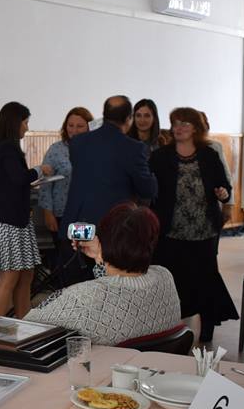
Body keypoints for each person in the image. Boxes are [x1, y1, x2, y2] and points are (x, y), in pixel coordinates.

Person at [25, 203, 180, 345]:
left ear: (104, 239)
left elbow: (27, 327)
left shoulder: (82, 298)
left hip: (102, 365)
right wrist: (101, 257)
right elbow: (118, 294)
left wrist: (105, 253)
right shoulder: (165, 277)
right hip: (149, 364)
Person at [149, 107, 238, 343]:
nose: (178, 128)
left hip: (204, 229)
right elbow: (150, 189)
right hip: (171, 230)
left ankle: (207, 324)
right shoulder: (161, 156)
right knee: (174, 277)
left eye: (184, 124)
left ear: (196, 129)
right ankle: (172, 326)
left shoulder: (208, 154)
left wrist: (223, 193)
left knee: (206, 277)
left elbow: (223, 185)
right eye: (175, 123)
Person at [60, 95, 158, 284]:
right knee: (111, 286)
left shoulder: (78, 143)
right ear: (128, 119)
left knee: (76, 285)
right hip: (113, 229)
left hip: (78, 223)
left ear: (104, 115)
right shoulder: (133, 148)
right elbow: (148, 190)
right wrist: (152, 175)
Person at [0, 102, 52, 317]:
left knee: (26, 275)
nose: (27, 127)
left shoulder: (1, 146)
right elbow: (19, 178)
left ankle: (23, 323)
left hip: (14, 219)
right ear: (15, 122)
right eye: (25, 122)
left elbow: (9, 181)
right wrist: (39, 170)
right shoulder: (7, 147)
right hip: (6, 221)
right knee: (9, 278)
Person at [37, 107, 93, 240]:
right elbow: (45, 184)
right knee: (65, 250)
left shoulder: (96, 149)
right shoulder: (56, 149)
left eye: (80, 126)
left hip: (88, 214)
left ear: (89, 127)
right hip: (61, 214)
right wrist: (48, 213)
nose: (74, 130)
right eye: (70, 125)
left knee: (84, 249)